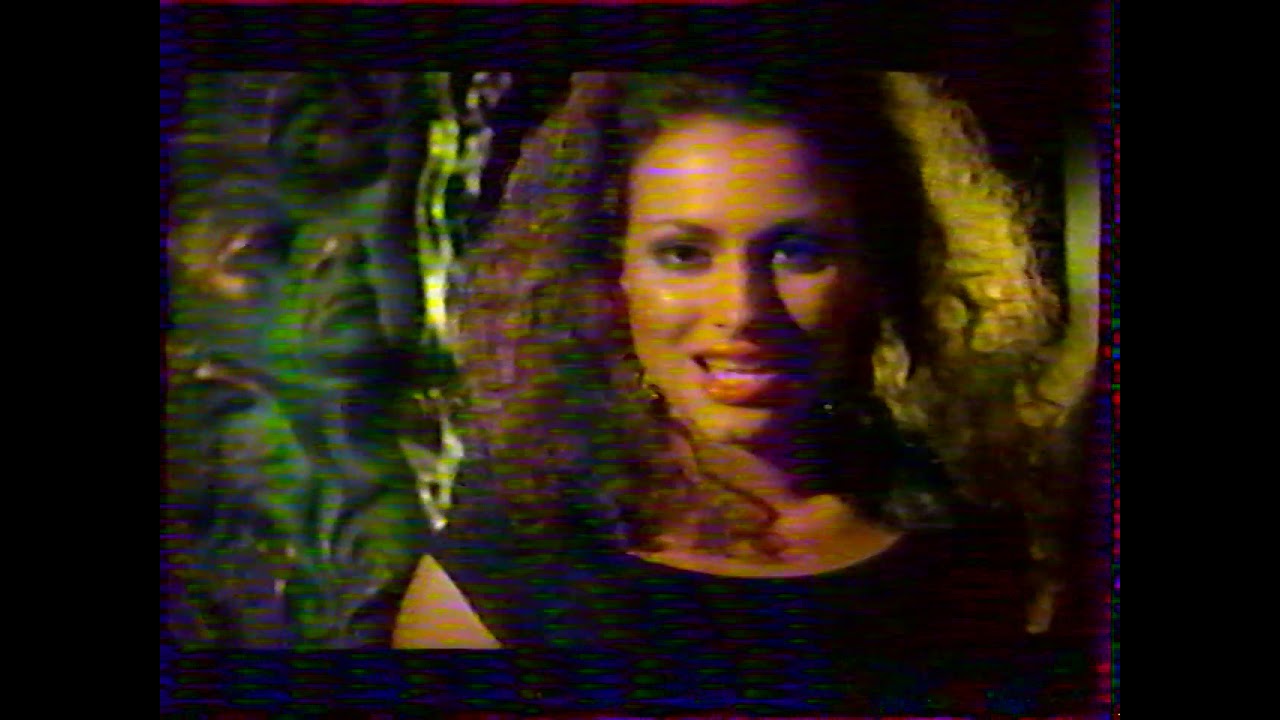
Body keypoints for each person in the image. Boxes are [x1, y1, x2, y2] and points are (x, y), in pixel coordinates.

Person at [394, 71, 1098, 710]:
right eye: (684, 254)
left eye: (798, 251)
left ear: (877, 267)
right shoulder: (499, 590)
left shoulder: (990, 546)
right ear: (612, 276)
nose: (742, 310)